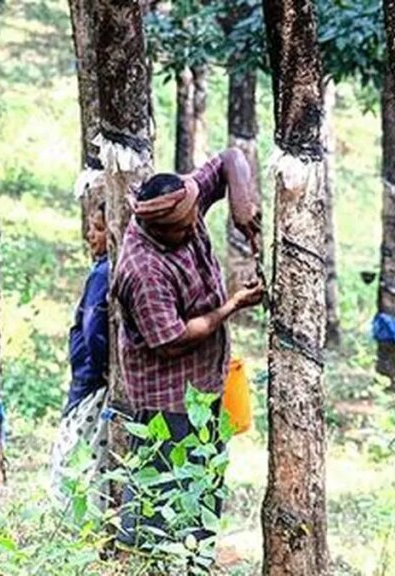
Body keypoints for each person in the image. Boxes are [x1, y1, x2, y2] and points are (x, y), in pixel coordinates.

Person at [111, 149, 263, 549]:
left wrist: (242, 206)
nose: (193, 228)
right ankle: (147, 559)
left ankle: (197, 557)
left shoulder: (185, 198)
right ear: (157, 227)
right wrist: (230, 306)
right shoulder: (142, 270)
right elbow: (172, 339)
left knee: (204, 476)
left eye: (194, 218)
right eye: (182, 229)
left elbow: (231, 159)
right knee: (161, 486)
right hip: (168, 395)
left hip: (206, 384)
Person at [49, 206, 111, 506]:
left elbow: (93, 328)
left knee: (74, 458)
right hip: (89, 376)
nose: (91, 235)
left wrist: (101, 368)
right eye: (91, 227)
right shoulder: (103, 269)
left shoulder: (105, 272)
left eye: (98, 229)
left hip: (91, 380)